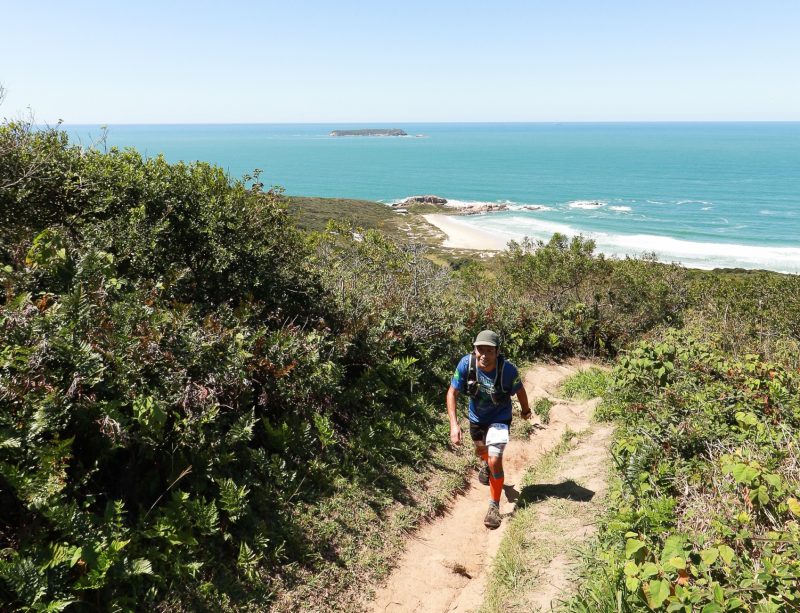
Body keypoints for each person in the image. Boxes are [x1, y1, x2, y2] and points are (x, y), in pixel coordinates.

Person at [447, 330, 531, 529]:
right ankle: (487, 466)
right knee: (483, 452)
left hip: (500, 418)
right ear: (474, 349)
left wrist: (526, 410)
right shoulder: (466, 365)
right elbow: (452, 392)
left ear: (497, 352)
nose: (484, 355)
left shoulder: (508, 370)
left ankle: (493, 506)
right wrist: (454, 424)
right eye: (480, 349)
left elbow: (520, 390)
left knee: (494, 459)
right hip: (477, 419)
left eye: (489, 351)